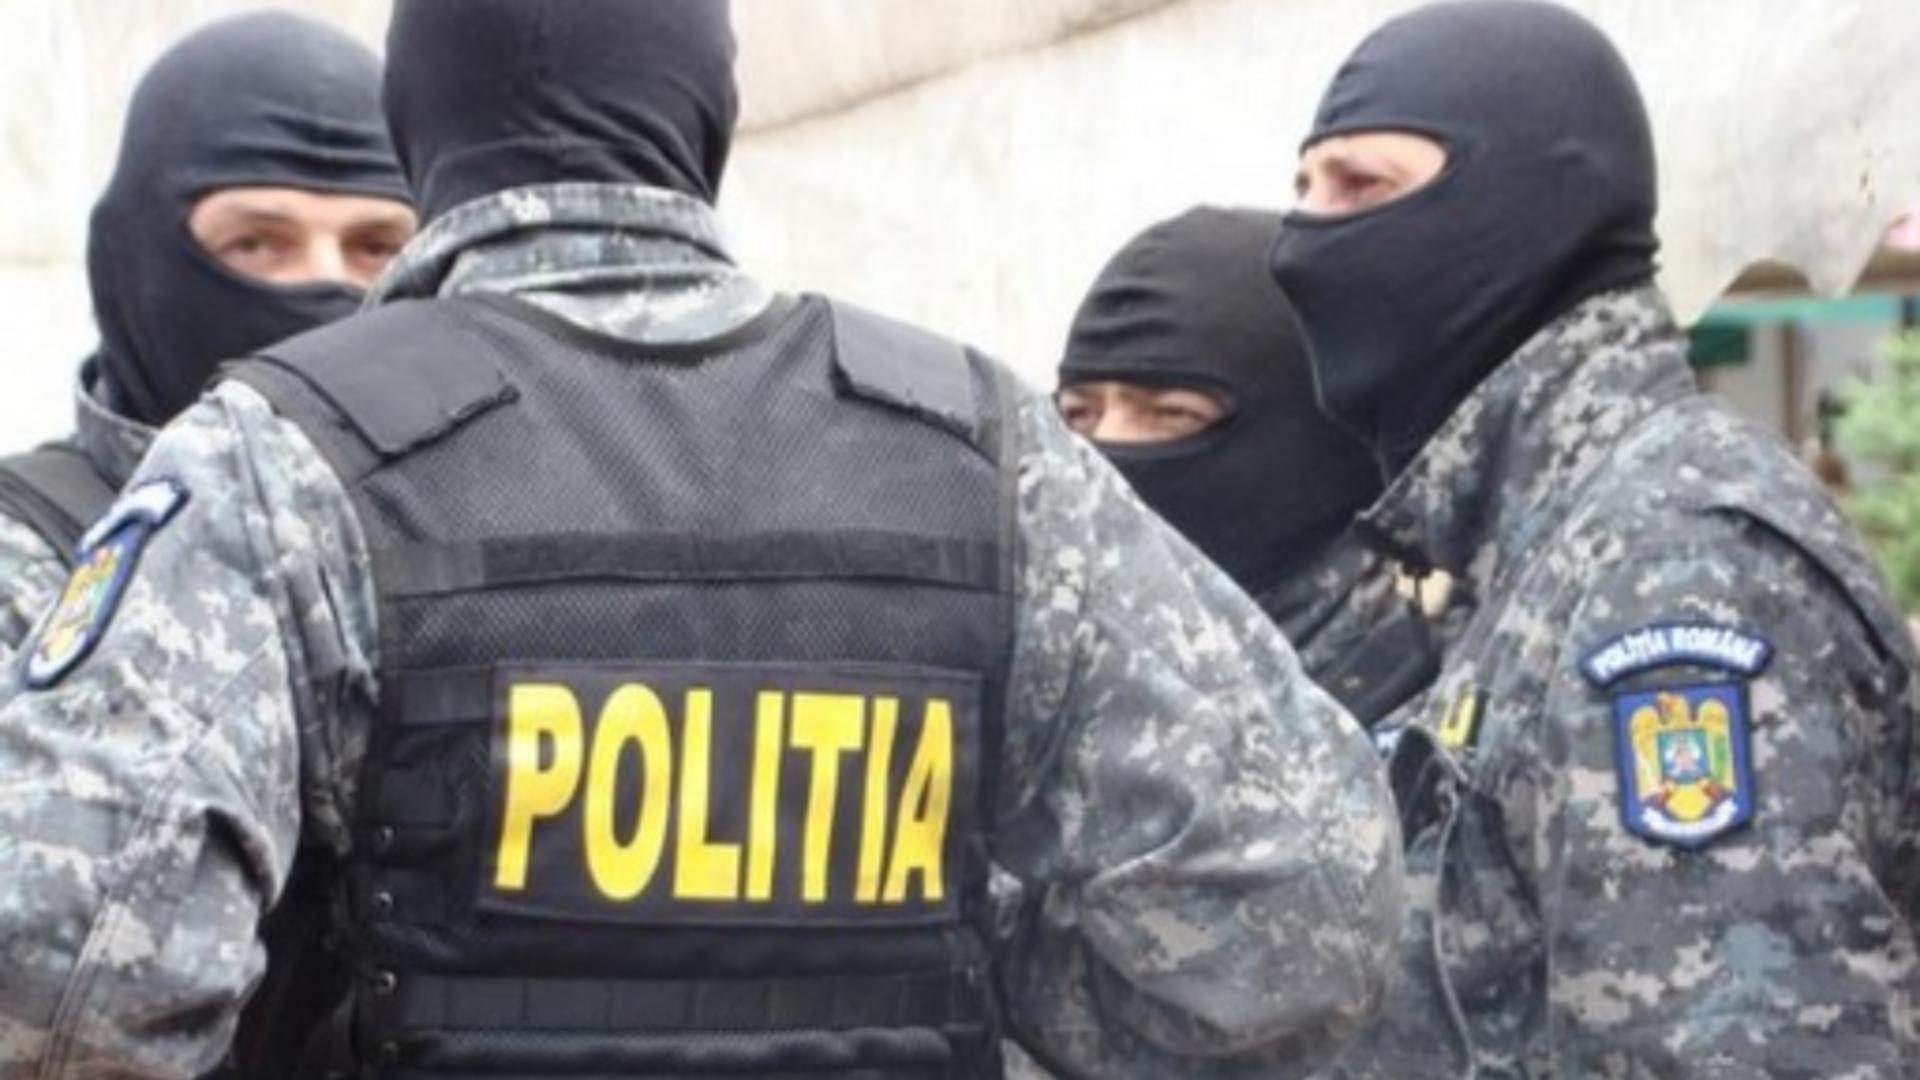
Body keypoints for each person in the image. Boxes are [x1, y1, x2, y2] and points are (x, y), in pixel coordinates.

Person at [0, 2, 1401, 1077]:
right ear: (708, 114)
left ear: (419, 125)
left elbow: (64, 973)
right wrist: (965, 965)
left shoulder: (282, 451)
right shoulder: (979, 448)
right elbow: (1309, 919)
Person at [1264, 1, 1920, 1074]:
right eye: (1304, 188)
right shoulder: (1544, 547)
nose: (1298, 245)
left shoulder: (1671, 566)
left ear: (1524, 209)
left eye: (1360, 187)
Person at [0, 11, 415, 665]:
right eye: (256, 242)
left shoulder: (469, 540)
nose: (327, 282)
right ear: (135, 261)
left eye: (376, 247)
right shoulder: (23, 573)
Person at [1057, 206, 1437, 726]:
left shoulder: (1443, 715)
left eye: (1171, 414)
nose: (1103, 450)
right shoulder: (1045, 678)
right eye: (1078, 414)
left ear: (1310, 434)